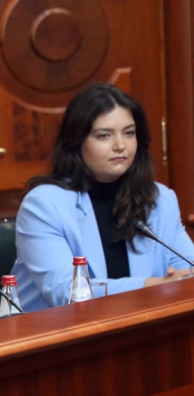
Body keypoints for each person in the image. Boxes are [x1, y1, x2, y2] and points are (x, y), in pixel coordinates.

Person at [11, 84, 194, 311]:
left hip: (140, 326)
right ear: (76, 141)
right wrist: (150, 287)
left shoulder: (159, 200)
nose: (120, 146)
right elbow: (67, 293)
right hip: (54, 329)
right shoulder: (43, 206)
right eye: (104, 136)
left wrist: (179, 280)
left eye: (129, 133)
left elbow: (187, 272)